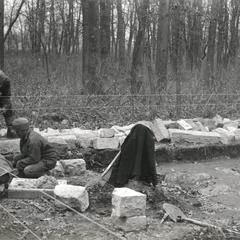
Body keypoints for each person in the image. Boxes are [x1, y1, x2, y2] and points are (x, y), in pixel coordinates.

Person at [0, 70, 16, 138]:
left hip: (4, 96)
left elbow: (6, 96)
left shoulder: (6, 80)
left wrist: (4, 107)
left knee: (8, 112)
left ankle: (11, 131)